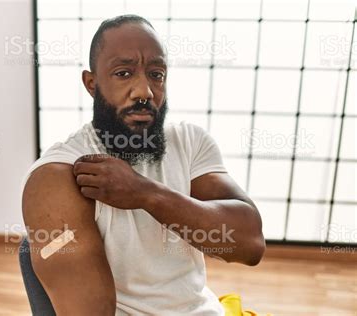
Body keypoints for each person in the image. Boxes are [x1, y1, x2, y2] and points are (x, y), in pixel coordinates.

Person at [22, 14, 265, 315]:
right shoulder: (58, 176)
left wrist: (147, 194)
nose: (145, 92)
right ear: (92, 83)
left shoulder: (189, 141)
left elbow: (250, 244)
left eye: (156, 74)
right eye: (124, 73)